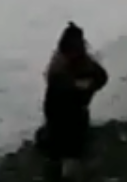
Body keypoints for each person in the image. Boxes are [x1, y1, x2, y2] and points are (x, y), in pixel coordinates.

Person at [37, 22, 108, 181]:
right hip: (62, 123)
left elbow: (101, 77)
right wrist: (77, 88)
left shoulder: (83, 62)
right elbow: (53, 107)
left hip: (77, 119)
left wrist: (89, 85)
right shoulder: (58, 70)